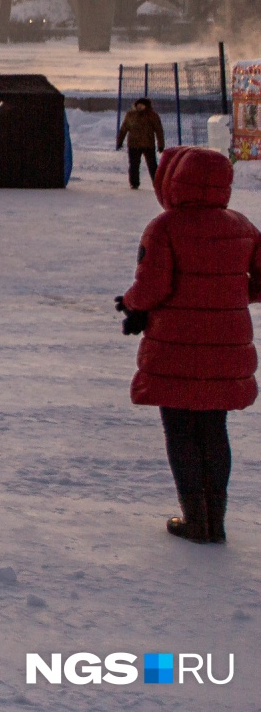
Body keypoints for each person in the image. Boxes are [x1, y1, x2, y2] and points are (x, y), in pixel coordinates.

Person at [116, 146, 261, 544]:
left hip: (175, 346)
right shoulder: (243, 226)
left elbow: (152, 288)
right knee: (214, 429)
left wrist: (129, 303)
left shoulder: (165, 227)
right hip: (227, 347)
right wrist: (228, 297)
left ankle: (194, 519)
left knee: (180, 430)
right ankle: (216, 520)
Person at [120, 97, 167, 191]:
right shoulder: (130, 115)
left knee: (152, 165)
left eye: (142, 105)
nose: (140, 107)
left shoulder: (152, 115)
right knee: (134, 165)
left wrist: (161, 144)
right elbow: (124, 129)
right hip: (133, 145)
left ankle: (157, 184)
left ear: (147, 106)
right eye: (138, 105)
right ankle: (134, 184)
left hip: (148, 145)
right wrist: (120, 141)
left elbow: (159, 131)